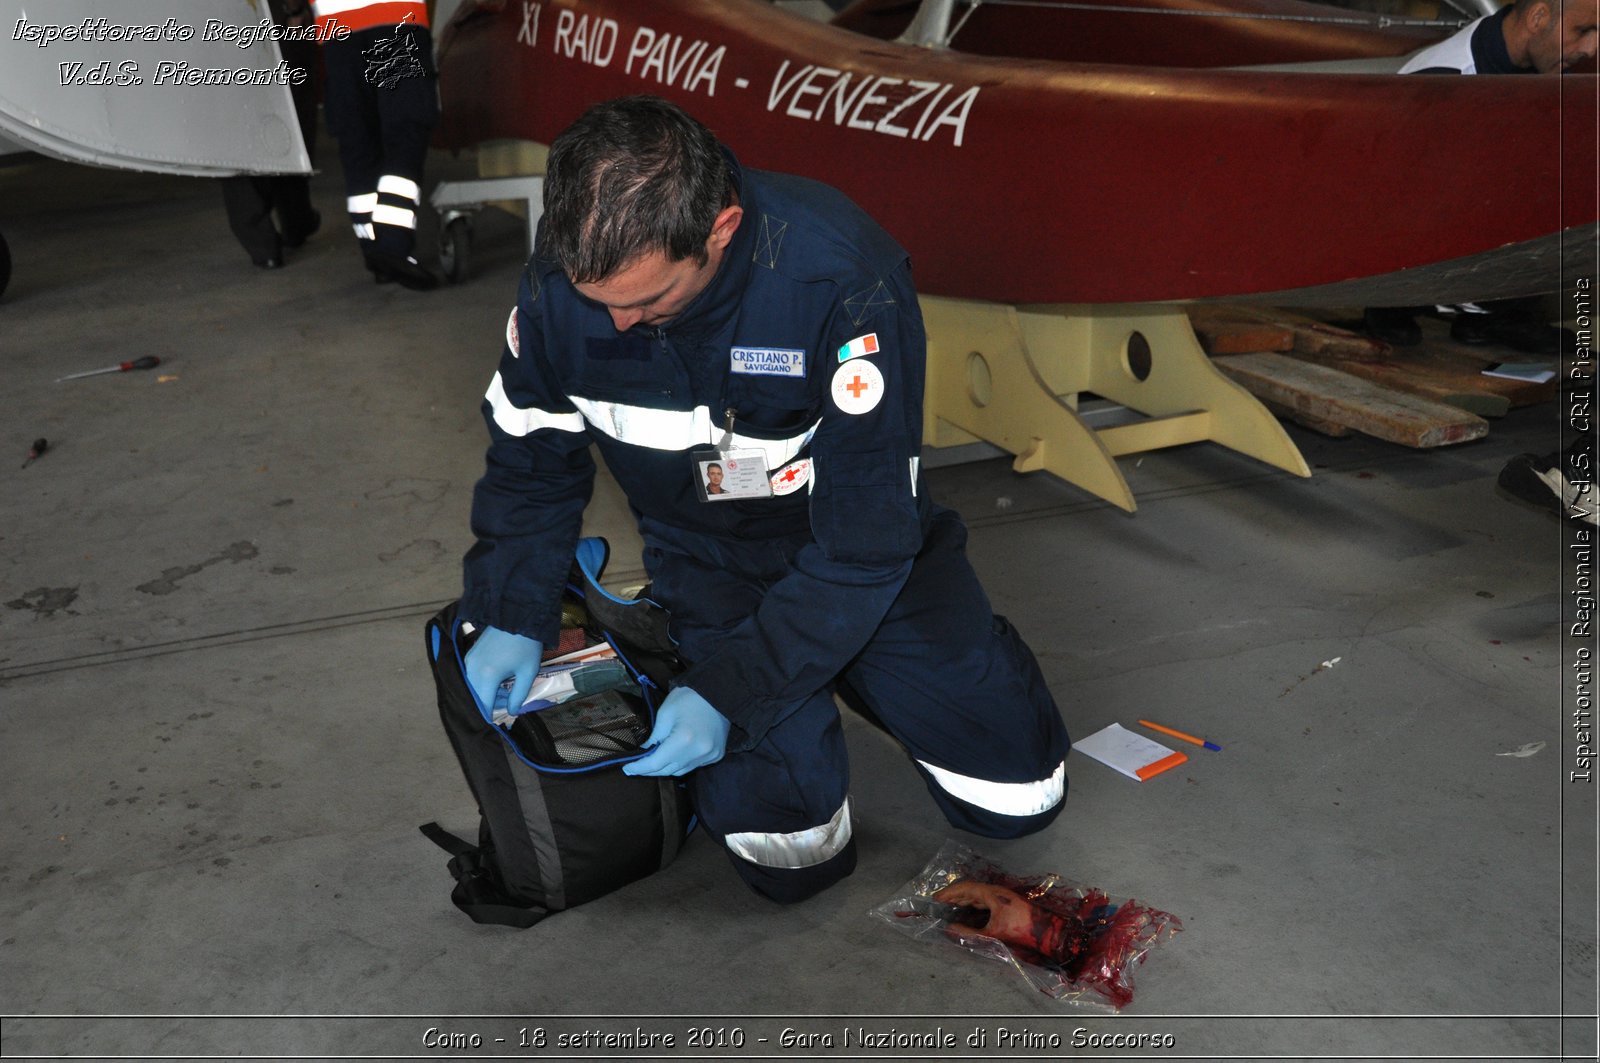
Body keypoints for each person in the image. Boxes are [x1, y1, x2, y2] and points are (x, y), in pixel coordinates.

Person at [460, 96, 1071, 905]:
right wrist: (511, 605)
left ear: (720, 229)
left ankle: (895, 663)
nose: (618, 320)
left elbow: (865, 547)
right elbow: (532, 462)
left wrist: (732, 691)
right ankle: (764, 670)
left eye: (647, 298)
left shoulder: (840, 280)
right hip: (706, 557)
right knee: (790, 859)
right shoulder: (557, 289)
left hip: (864, 558)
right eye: (598, 297)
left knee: (1020, 799)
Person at [1362, 0, 1598, 353]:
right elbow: (1391, 199)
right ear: (1538, 18)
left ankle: (1492, 314)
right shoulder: (1443, 83)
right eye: (1583, 31)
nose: (1591, 48)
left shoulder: (1542, 62)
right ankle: (1402, 304)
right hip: (1403, 239)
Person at [312, 0, 439, 290]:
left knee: (357, 137)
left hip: (338, 32)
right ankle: (391, 245)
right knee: (406, 126)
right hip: (395, 17)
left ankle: (375, 250)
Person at [219, 0, 320, 269]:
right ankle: (297, 222)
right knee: (289, 121)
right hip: (276, 21)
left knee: (237, 130)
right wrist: (295, 12)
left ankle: (263, 245)